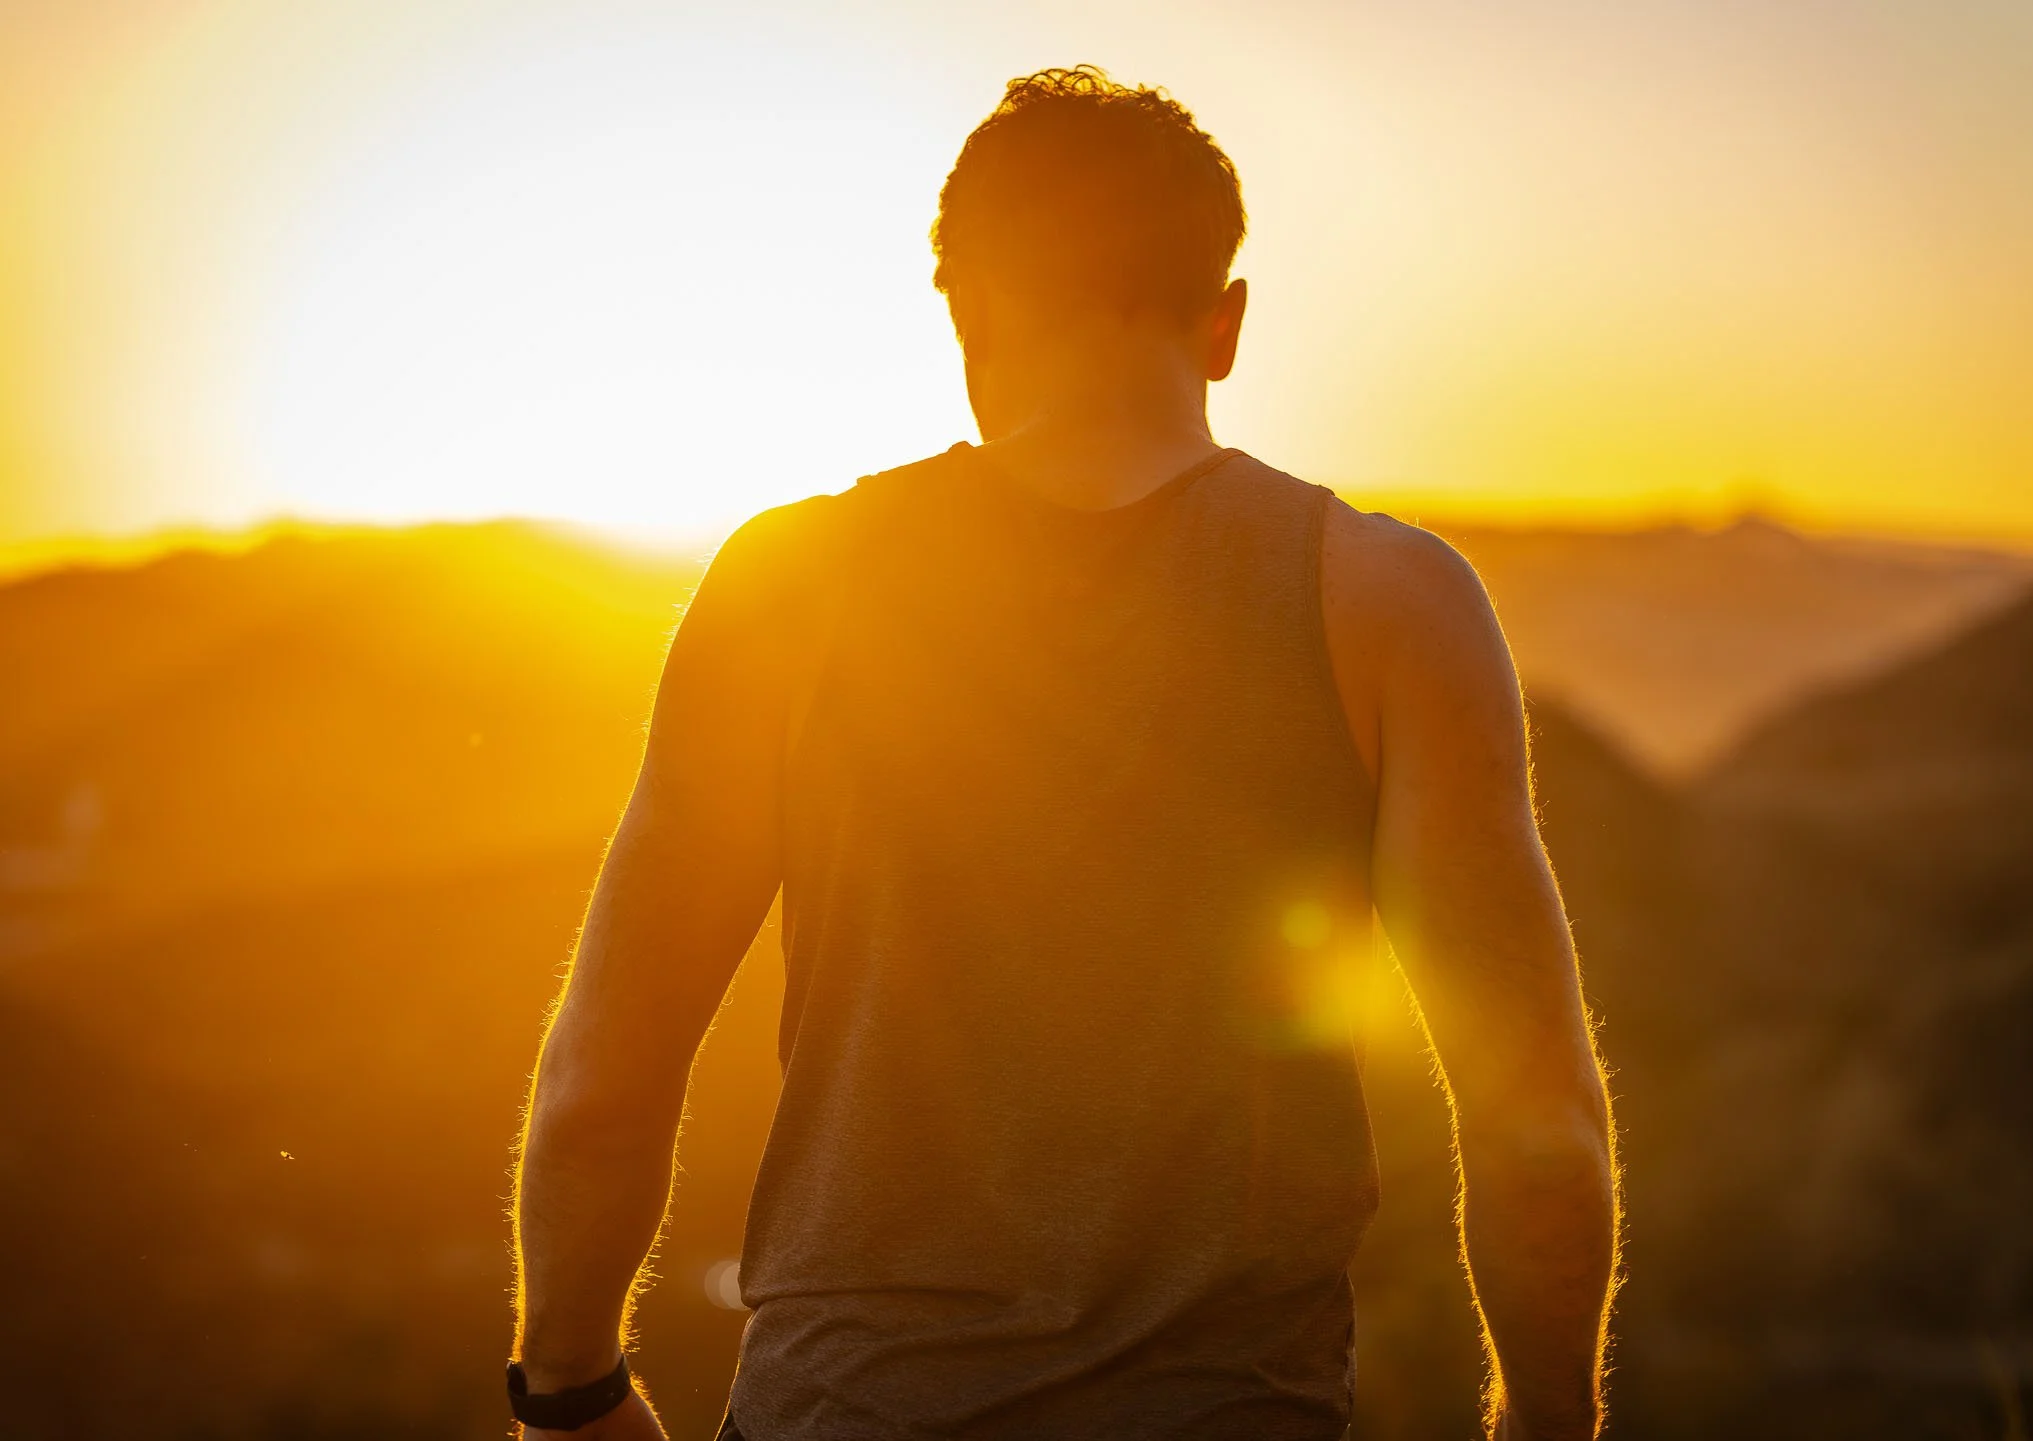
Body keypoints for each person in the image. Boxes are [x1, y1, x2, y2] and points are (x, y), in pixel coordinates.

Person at [509, 65, 1618, 1441]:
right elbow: (1540, 1136)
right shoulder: (1390, 604)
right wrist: (1549, 1421)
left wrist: (568, 1390)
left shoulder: (783, 589)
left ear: (968, 312)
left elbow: (604, 1080)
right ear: (1225, 323)